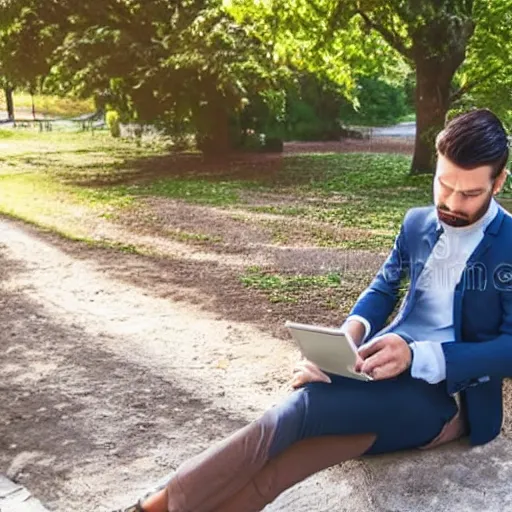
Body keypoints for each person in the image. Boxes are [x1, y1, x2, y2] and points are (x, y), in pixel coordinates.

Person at [117, 109, 512, 512]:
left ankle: (157, 505)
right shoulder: (416, 224)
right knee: (308, 445)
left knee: (304, 409)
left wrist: (418, 355)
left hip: (449, 400)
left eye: (469, 194)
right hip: (382, 373)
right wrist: (345, 342)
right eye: (443, 185)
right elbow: (383, 287)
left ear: (498, 182)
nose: (450, 202)